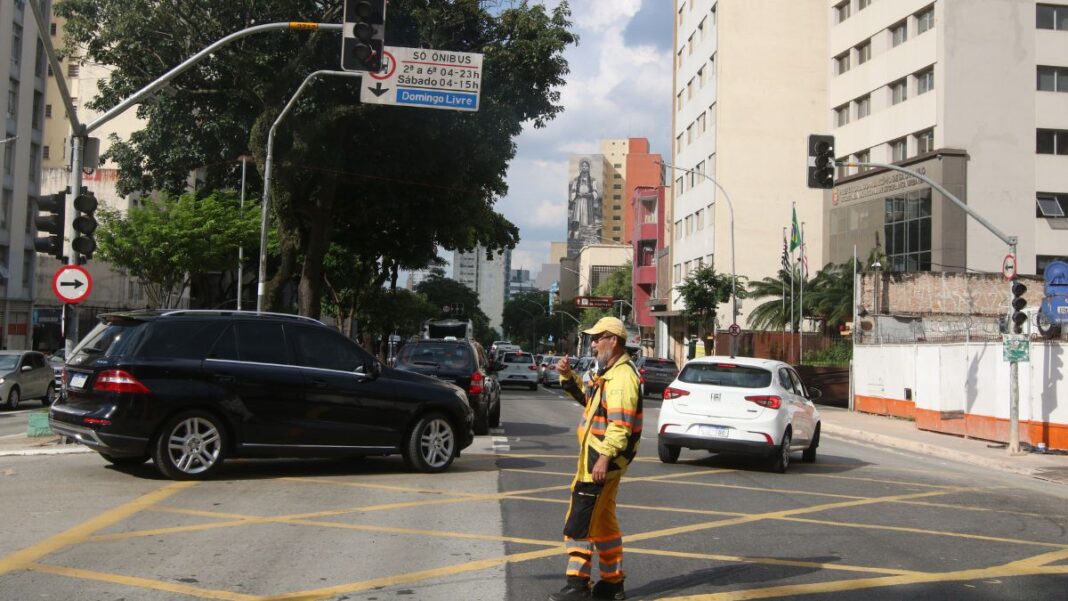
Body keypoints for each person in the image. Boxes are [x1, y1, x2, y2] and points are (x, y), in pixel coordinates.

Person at [548, 317, 642, 601]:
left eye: (597, 337)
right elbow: (588, 400)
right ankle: (613, 584)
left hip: (600, 463)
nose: (593, 343)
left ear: (613, 340)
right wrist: (567, 376)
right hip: (600, 460)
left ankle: (577, 586)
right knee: (603, 525)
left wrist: (603, 458)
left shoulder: (622, 377)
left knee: (579, 523)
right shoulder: (608, 371)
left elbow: (620, 425)